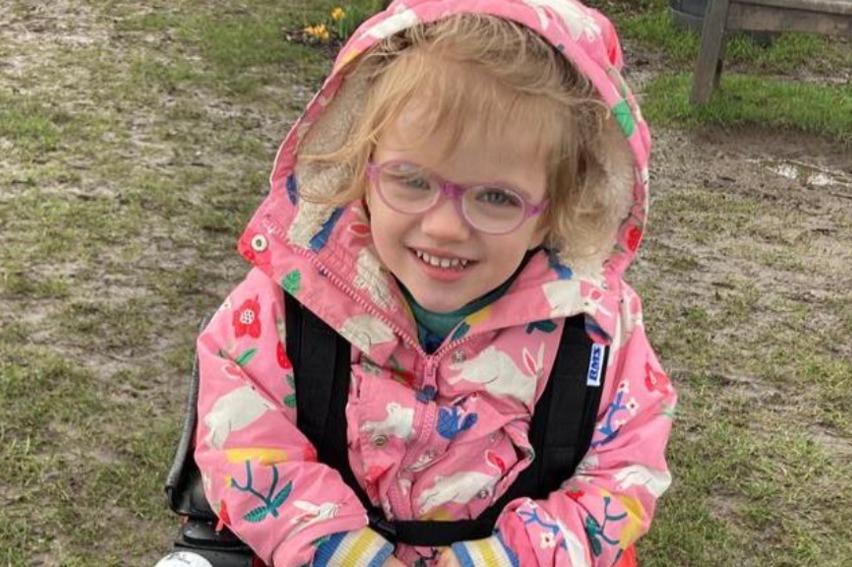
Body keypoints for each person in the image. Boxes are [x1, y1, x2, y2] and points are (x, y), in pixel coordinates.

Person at [193, 1, 677, 566]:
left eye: (496, 197)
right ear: (363, 169)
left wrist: (512, 556)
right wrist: (337, 549)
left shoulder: (598, 330)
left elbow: (624, 468)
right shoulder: (292, 298)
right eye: (412, 180)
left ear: (552, 212)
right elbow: (242, 435)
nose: (445, 227)